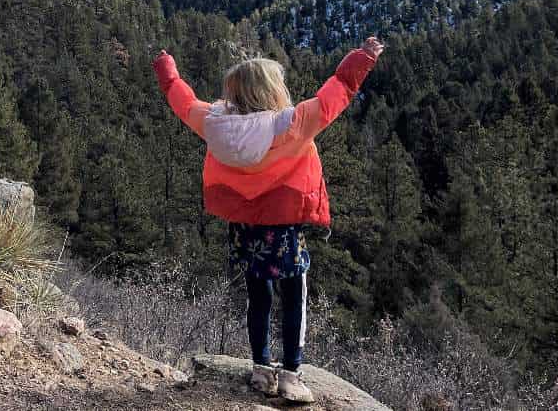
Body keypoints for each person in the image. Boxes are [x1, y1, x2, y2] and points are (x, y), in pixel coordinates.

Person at [152, 36, 384, 403]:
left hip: (245, 229)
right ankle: (291, 375)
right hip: (284, 228)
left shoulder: (213, 125)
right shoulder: (293, 124)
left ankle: (261, 369)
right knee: (294, 296)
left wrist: (167, 71)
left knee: (258, 296)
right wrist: (363, 57)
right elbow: (335, 93)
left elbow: (181, 101)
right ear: (272, 90)